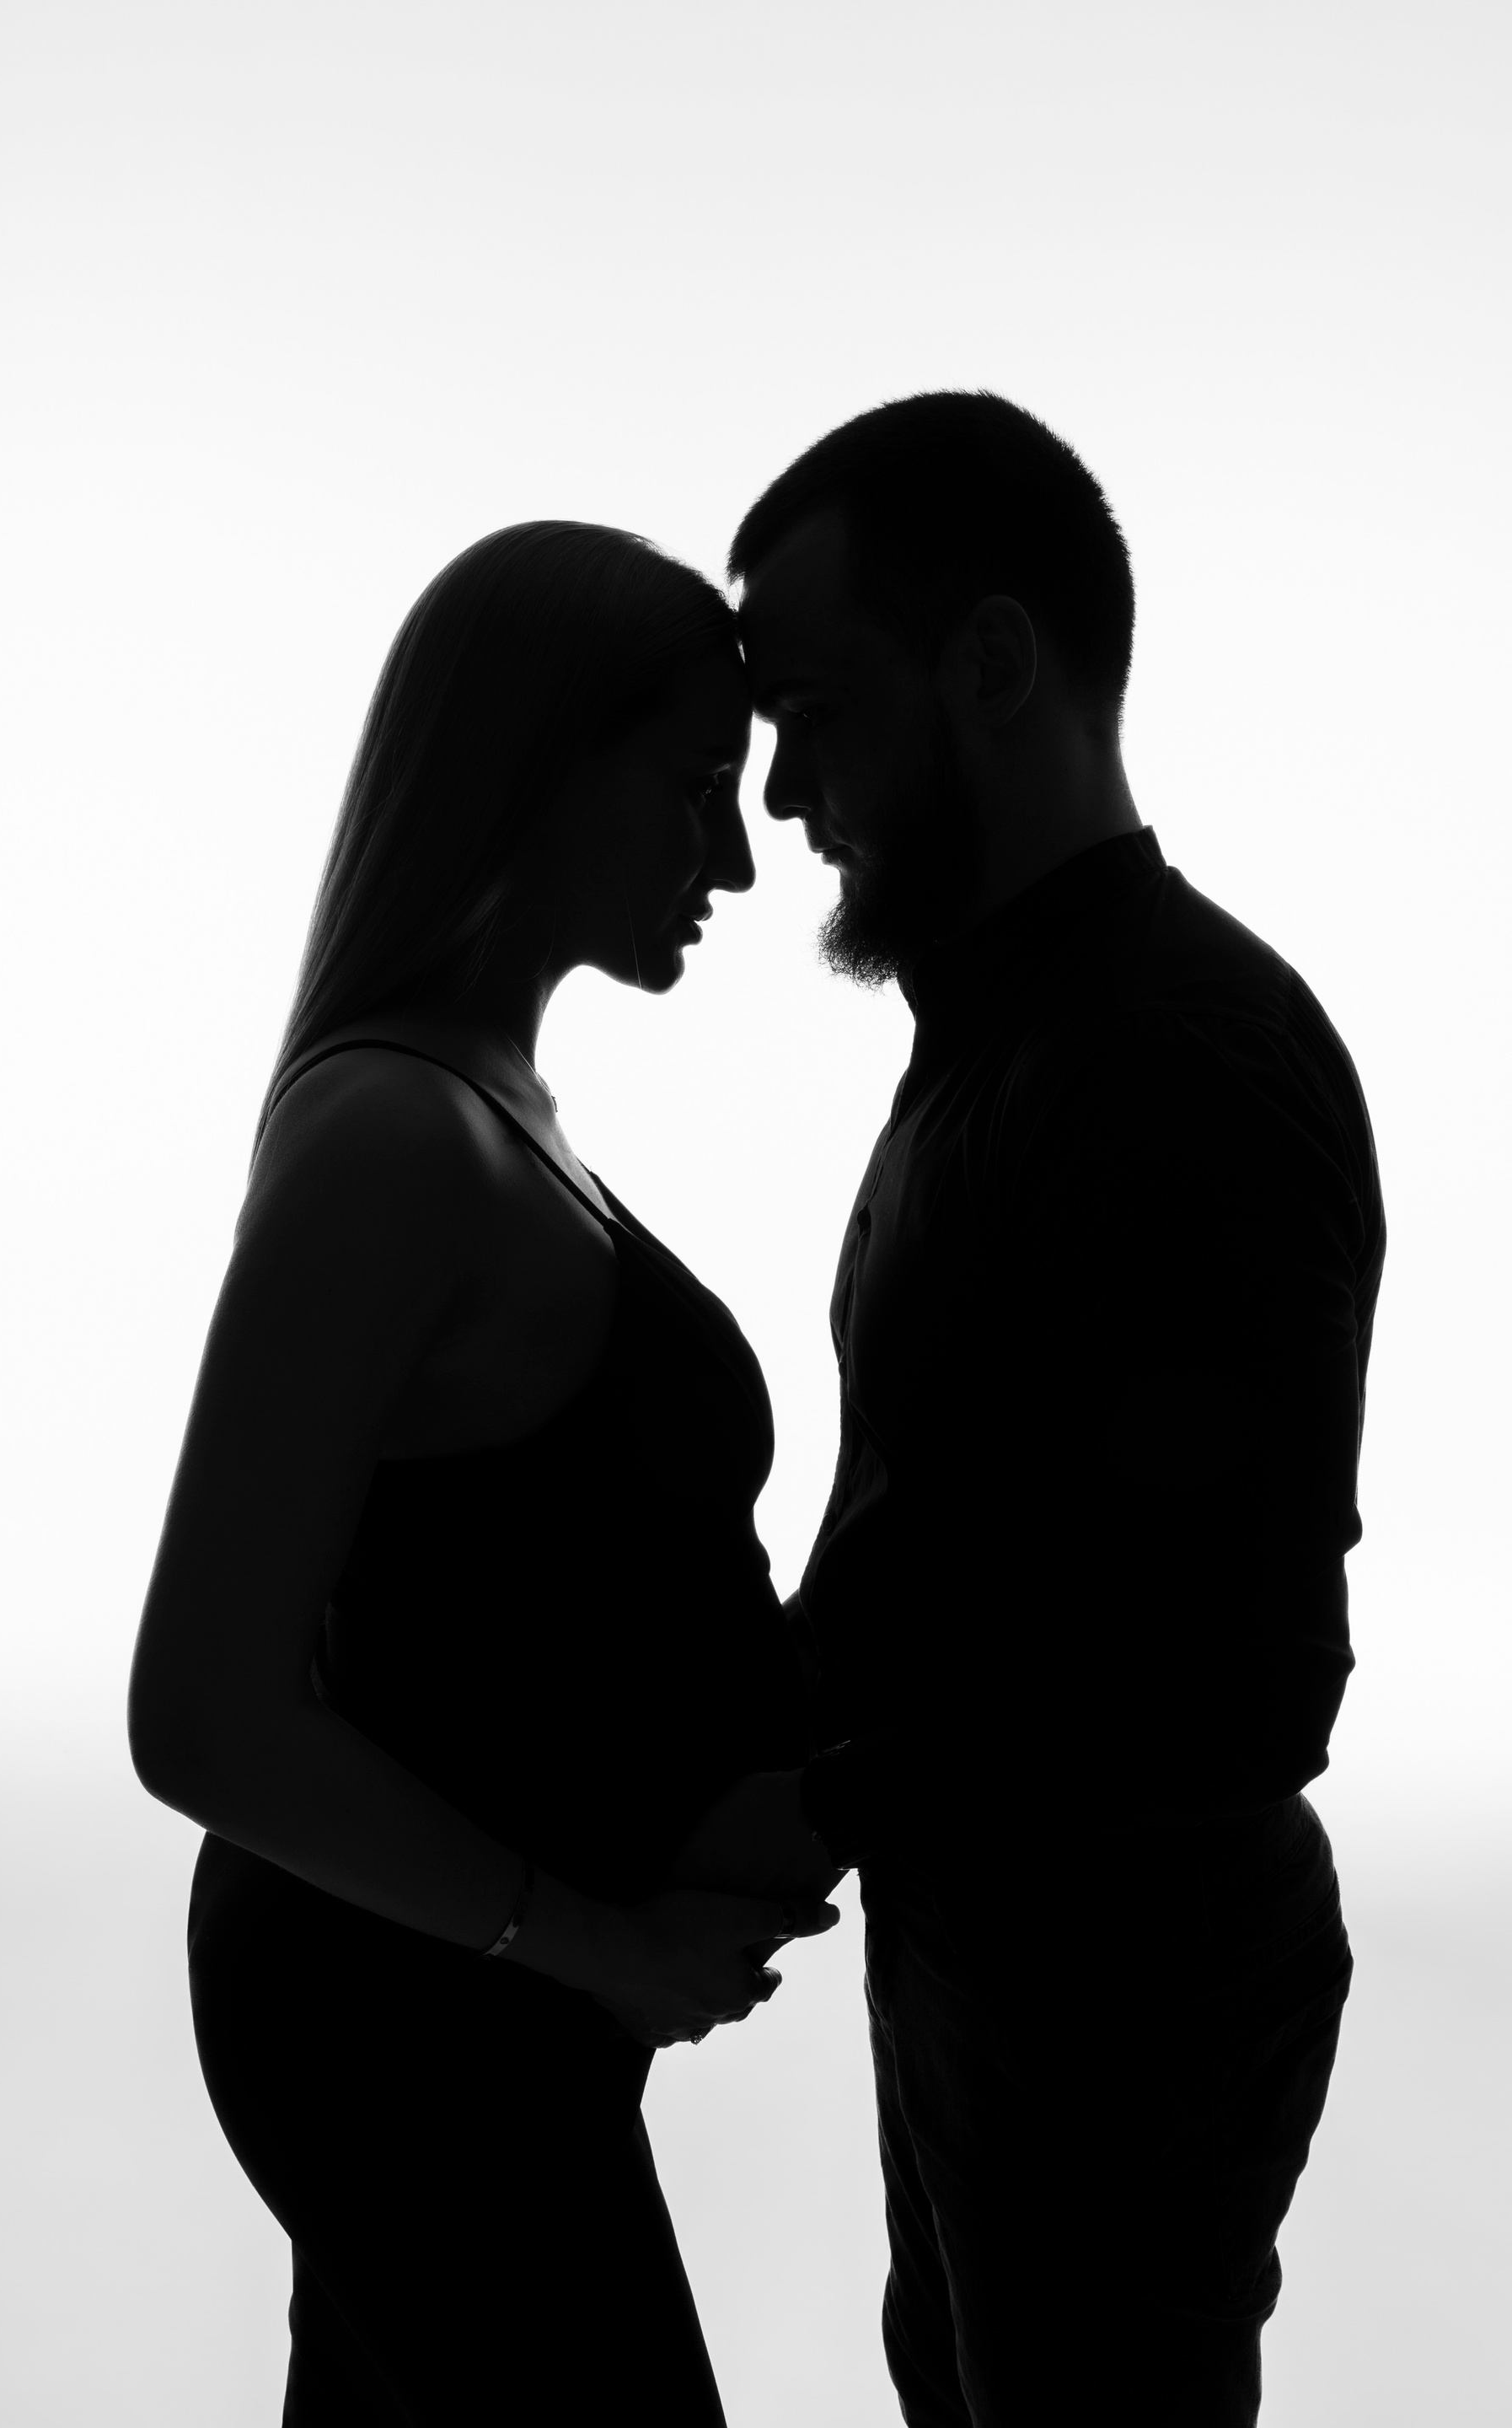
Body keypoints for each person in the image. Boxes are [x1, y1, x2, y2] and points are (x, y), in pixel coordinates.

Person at [673, 394, 1386, 2425]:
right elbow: (945, 1538)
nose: (781, 794)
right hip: (1014, 1964)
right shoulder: (1012, 1041)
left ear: (993, 665)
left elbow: (1239, 1680)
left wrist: (810, 1804)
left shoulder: (1174, 1057)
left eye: (811, 714)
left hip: (1122, 1999)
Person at [126, 521, 839, 2428]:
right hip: (414, 2029)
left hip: (482, 2020)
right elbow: (198, 1714)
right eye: (693, 785)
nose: (736, 858)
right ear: (535, 767)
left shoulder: (486, 1115)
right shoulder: (394, 1138)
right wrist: (600, 1945)